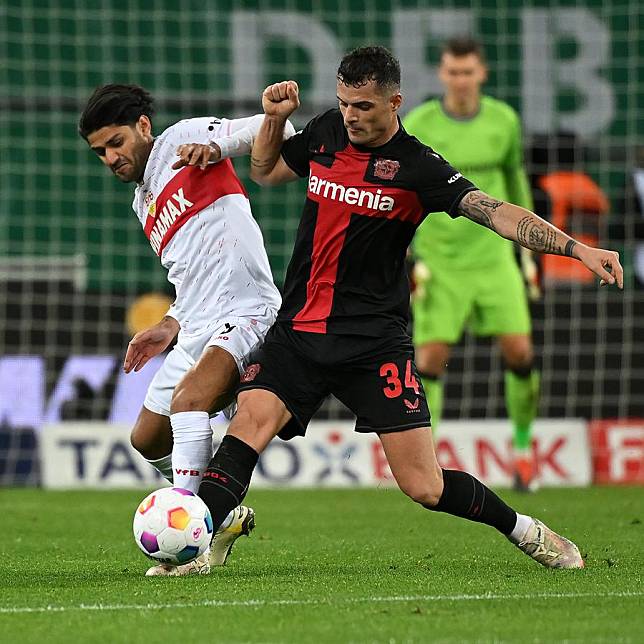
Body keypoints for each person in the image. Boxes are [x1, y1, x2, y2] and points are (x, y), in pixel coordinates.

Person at [194, 46, 622, 570]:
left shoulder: (418, 166)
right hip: (300, 329)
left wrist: (578, 248)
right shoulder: (327, 131)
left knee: (424, 485)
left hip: (374, 343)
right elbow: (265, 172)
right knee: (248, 425)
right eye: (345, 102)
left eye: (365, 107)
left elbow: (496, 212)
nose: (352, 115)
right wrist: (276, 120)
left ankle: (527, 530)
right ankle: (194, 548)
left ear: (394, 102)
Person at [79, 84, 292, 576]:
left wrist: (218, 148)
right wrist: (169, 324)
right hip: (195, 321)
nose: (111, 157)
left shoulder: (186, 139)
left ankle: (194, 541)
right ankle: (224, 500)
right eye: (100, 152)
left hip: (247, 307)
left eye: (116, 142)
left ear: (143, 127)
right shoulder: (143, 202)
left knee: (188, 403)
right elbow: (189, 274)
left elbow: (269, 133)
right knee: (147, 439)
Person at [403, 36, 540, 491]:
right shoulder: (420, 122)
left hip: (494, 258)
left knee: (520, 351)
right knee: (431, 358)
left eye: (468, 72)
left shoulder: (504, 121)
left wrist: (528, 253)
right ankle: (430, 461)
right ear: (442, 74)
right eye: (452, 72)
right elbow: (402, 192)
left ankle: (523, 451)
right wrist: (408, 255)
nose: (460, 80)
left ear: (481, 73)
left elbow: (514, 180)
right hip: (440, 261)